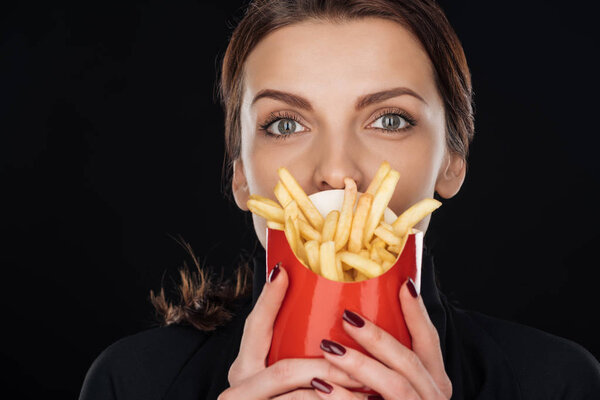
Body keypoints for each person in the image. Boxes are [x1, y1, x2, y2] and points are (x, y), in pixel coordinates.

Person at [79, 0, 600, 399]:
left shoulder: (559, 383)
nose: (335, 171)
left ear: (452, 162)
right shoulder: (131, 382)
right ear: (240, 175)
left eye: (390, 120)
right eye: (284, 124)